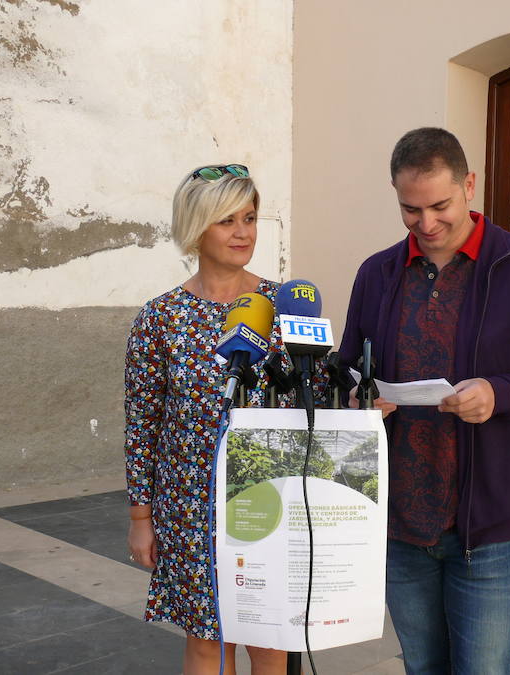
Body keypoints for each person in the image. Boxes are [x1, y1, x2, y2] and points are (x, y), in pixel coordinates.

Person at [338, 128, 510, 674]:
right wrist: (356, 395)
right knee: (422, 668)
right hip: (399, 520)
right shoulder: (377, 273)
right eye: (410, 209)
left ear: (469, 185)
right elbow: (350, 364)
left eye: (440, 205)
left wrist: (500, 392)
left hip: (487, 524)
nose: (426, 224)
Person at [125, 164, 288, 674]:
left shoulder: (282, 303)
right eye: (227, 220)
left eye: (250, 217)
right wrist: (140, 519)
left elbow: (316, 395)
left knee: (268, 640)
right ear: (197, 227)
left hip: (270, 497)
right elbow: (142, 424)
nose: (243, 232)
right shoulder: (160, 316)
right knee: (207, 643)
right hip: (189, 502)